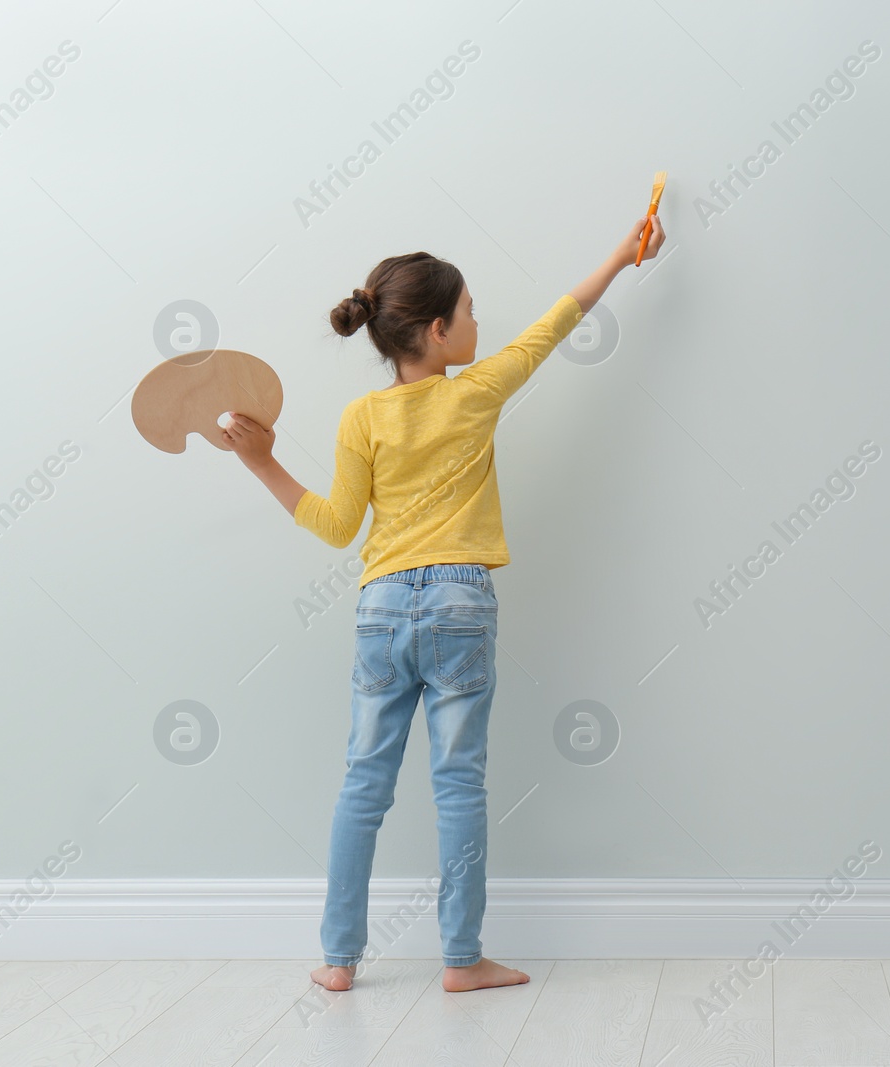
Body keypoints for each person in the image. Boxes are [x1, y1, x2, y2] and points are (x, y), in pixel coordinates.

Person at [223, 213, 665, 993]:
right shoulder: (479, 391)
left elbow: (335, 527)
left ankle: (338, 959)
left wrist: (262, 463)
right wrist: (623, 258)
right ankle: (462, 960)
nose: (478, 322)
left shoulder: (362, 416)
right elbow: (558, 321)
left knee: (363, 783)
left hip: (381, 608)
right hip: (460, 601)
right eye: (468, 312)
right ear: (435, 330)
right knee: (459, 784)